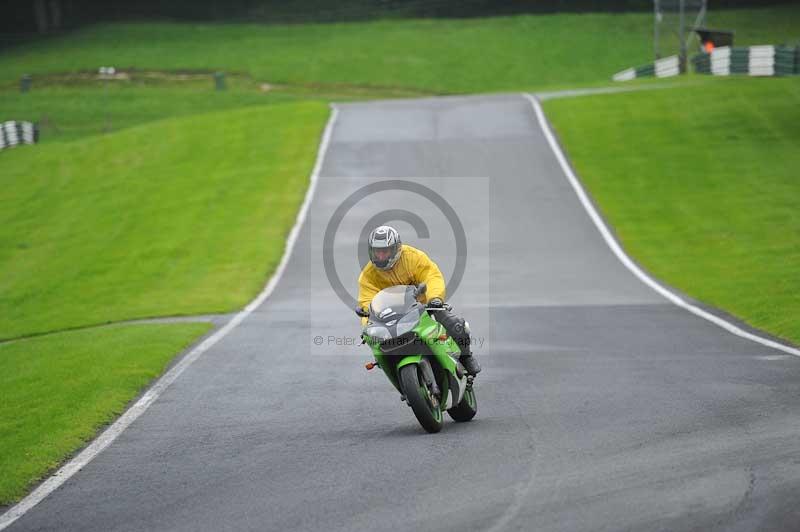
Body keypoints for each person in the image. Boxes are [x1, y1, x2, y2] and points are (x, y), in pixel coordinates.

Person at [357, 225, 481, 375]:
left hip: (422, 307)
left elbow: (431, 276)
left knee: (454, 324)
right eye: (377, 252)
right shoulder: (368, 275)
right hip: (391, 317)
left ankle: (466, 356)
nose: (381, 256)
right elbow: (366, 301)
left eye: (385, 251)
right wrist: (368, 323)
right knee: (377, 342)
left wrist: (435, 298)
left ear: (396, 248)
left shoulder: (414, 257)